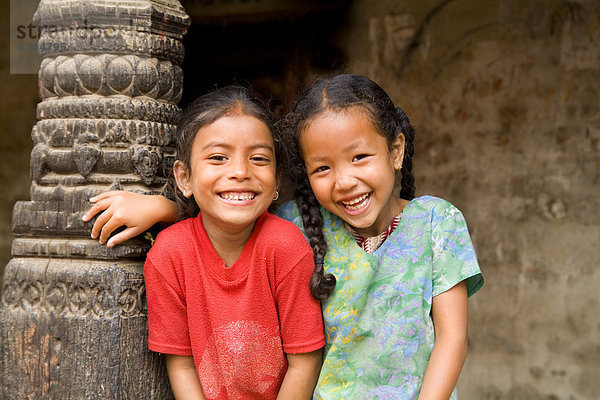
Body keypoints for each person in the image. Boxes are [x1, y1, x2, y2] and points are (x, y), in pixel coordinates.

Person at [84, 74, 483, 399]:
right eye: (322, 168)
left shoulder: (436, 221)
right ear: (304, 175)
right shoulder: (300, 228)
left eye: (360, 157)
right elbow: (233, 213)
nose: (345, 182)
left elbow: (452, 339)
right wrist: (164, 206)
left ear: (396, 151)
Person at [86, 86, 325, 400]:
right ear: (184, 178)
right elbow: (182, 366)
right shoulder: (170, 254)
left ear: (277, 180)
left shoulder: (286, 246)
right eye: (218, 158)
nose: (240, 171)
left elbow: (305, 361)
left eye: (258, 159)